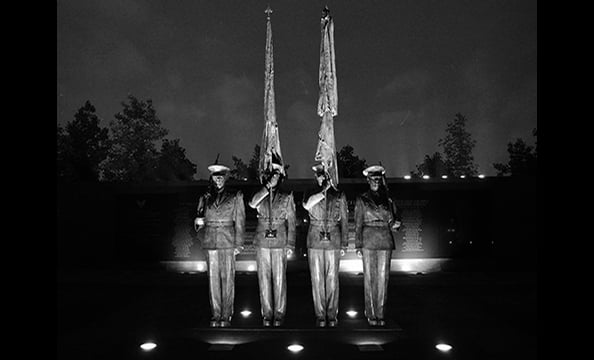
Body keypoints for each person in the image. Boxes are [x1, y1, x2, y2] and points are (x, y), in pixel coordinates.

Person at [194, 164, 245, 327]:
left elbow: (240, 221)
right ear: (212, 178)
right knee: (213, 280)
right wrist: (200, 229)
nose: (218, 180)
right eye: (215, 177)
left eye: (221, 177)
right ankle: (216, 314)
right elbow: (199, 221)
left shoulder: (235, 196)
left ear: (226, 178)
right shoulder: (205, 197)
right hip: (210, 241)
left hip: (228, 240)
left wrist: (238, 243)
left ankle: (226, 314)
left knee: (227, 279)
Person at [248, 163, 296, 327]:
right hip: (262, 240)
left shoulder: (287, 196)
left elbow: (292, 220)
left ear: (281, 177)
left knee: (279, 279)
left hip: (280, 239)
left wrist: (290, 244)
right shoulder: (260, 193)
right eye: (271, 174)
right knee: (264, 279)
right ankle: (267, 314)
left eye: (276, 174)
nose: (274, 177)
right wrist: (266, 187)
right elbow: (252, 203)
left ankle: (279, 314)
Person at [354, 165, 401, 327]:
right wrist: (358, 245)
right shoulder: (362, 199)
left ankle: (380, 313)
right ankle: (371, 312)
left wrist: (396, 223)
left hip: (385, 240)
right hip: (368, 239)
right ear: (367, 180)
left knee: (383, 279)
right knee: (370, 279)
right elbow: (358, 224)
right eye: (373, 179)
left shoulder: (388, 199)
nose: (375, 181)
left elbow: (395, 221)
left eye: (378, 179)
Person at [302, 164, 349, 327]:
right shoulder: (310, 192)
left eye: (325, 176)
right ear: (316, 177)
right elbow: (307, 205)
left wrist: (344, 243)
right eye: (320, 175)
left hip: (333, 236)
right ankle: (320, 314)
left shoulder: (339, 195)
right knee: (317, 279)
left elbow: (344, 220)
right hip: (315, 237)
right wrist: (323, 191)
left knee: (332, 279)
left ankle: (332, 314)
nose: (322, 178)